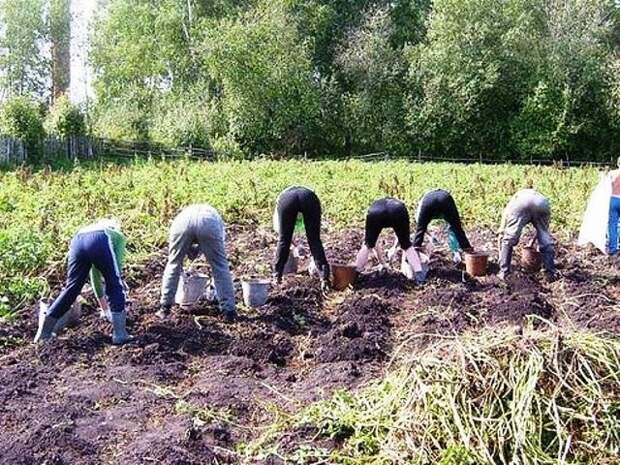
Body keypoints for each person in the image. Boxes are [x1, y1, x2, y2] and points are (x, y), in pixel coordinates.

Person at [34, 218, 132, 344]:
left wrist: (105, 308)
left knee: (72, 288)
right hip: (99, 240)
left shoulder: (88, 231)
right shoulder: (117, 236)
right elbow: (115, 274)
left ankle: (44, 333)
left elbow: (94, 276)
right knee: (114, 283)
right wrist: (114, 308)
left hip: (77, 240)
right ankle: (120, 334)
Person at [158, 204, 237, 321]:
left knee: (173, 264)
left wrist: (189, 252)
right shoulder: (216, 220)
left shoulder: (181, 216)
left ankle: (164, 308)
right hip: (208, 224)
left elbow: (187, 251)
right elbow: (216, 258)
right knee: (220, 266)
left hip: (182, 224)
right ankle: (229, 312)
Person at [273, 186, 330, 290]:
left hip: (287, 200)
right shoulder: (310, 193)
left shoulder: (281, 199)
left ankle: (277, 276)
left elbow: (282, 236)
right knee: (314, 240)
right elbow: (315, 236)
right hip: (309, 198)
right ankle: (324, 278)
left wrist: (294, 245)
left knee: (283, 240)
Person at [355, 197, 425, 282]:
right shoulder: (399, 205)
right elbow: (401, 240)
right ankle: (420, 278)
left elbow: (373, 244)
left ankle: (355, 275)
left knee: (367, 245)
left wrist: (382, 263)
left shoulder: (374, 206)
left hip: (376, 212)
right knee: (407, 246)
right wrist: (383, 263)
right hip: (398, 210)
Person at [498, 189, 557, 280]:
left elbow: (502, 231)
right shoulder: (538, 196)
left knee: (509, 238)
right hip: (541, 203)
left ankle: (504, 272)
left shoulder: (512, 204)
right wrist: (534, 242)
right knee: (545, 238)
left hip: (521, 203)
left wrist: (503, 236)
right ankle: (550, 274)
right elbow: (542, 230)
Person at [412, 189, 473, 260]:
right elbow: (454, 227)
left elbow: (420, 227)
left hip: (428, 202)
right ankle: (470, 255)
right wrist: (431, 237)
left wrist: (425, 237)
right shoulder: (444, 196)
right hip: (445, 199)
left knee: (420, 231)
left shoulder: (423, 202)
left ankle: (413, 258)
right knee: (457, 228)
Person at [608, 158, 620, 256]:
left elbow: (606, 187)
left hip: (614, 199)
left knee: (613, 224)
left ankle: (613, 248)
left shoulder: (612, 173)